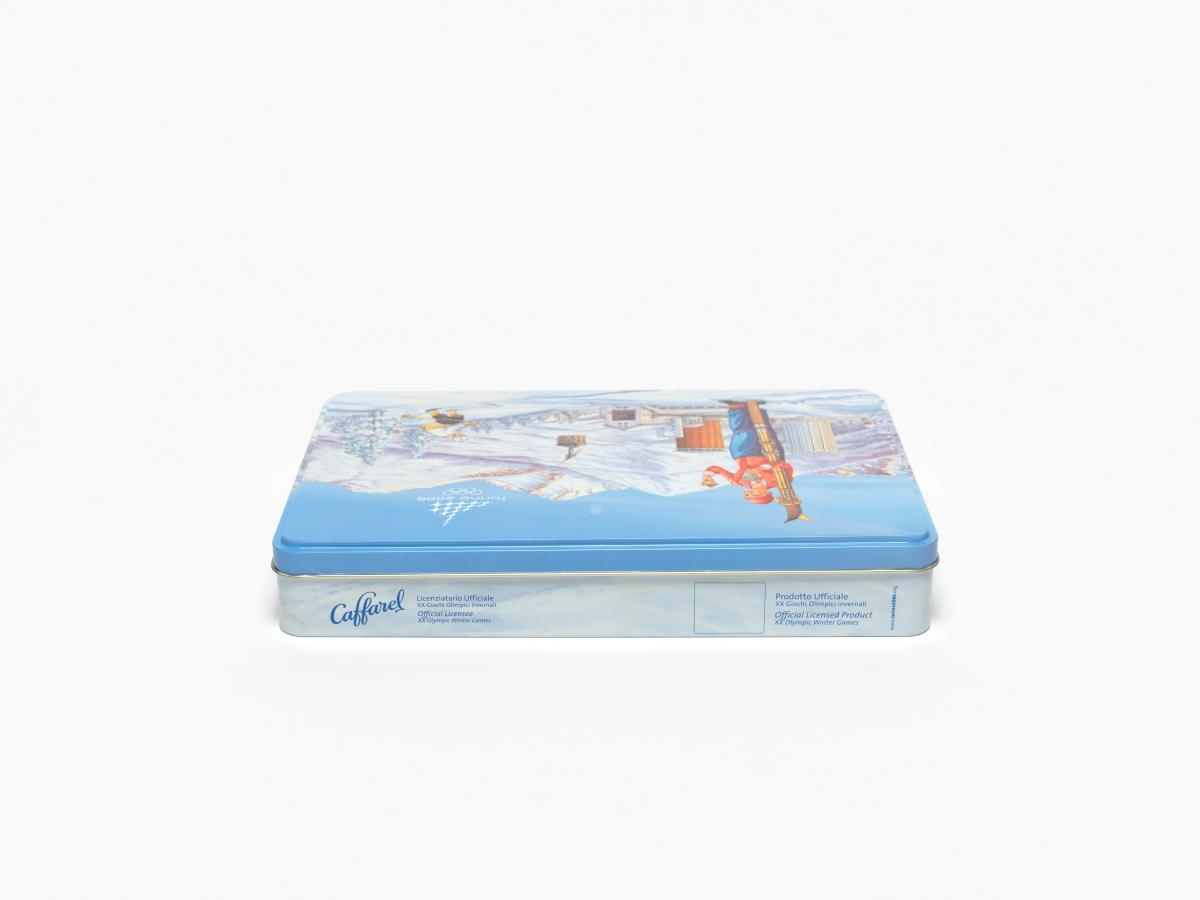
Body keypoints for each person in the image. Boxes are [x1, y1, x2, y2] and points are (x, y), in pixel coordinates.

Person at [700, 401, 794, 504]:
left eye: (748, 497)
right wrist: (773, 465)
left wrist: (707, 476)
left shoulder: (739, 482)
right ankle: (758, 407)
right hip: (771, 453)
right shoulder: (780, 482)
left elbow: (716, 469)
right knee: (766, 429)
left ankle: (736, 408)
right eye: (753, 496)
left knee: (744, 431)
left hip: (744, 453)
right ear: (766, 493)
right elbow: (787, 467)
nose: (747, 495)